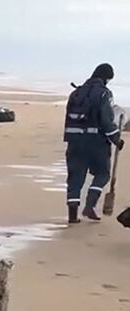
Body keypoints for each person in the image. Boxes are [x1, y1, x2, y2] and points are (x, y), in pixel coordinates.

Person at [64, 63, 124, 223]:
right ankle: (90, 206)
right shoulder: (104, 94)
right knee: (102, 174)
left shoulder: (75, 93)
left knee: (75, 177)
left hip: (74, 141)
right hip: (96, 143)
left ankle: (72, 215)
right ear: (107, 78)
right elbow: (106, 121)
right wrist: (116, 138)